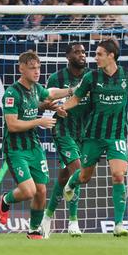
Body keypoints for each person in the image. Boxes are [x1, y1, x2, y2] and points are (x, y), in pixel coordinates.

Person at [59, 38, 128, 237]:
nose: (95, 57)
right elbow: (76, 98)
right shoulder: (92, 77)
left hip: (117, 136)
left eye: (99, 54)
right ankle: (71, 184)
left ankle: (119, 224)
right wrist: (62, 108)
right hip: (93, 136)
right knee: (84, 177)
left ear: (111, 56)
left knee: (118, 175)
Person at [0, 50, 72, 240]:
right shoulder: (12, 93)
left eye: (38, 67)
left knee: (41, 190)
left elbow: (50, 95)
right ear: (21, 69)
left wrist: (70, 92)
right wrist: (39, 121)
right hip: (16, 150)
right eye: (32, 68)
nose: (37, 71)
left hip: (34, 147)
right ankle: (5, 199)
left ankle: (34, 230)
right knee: (29, 191)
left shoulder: (36, 89)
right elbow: (12, 125)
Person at [41, 43, 91, 238]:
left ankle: (47, 217)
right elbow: (45, 102)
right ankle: (73, 221)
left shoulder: (91, 77)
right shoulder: (56, 78)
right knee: (77, 171)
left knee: (64, 177)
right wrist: (55, 108)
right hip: (63, 131)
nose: (82, 55)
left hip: (84, 133)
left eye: (84, 52)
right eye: (77, 52)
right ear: (68, 56)